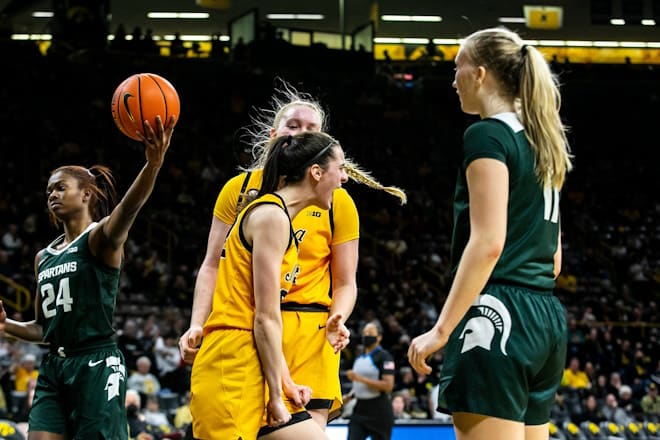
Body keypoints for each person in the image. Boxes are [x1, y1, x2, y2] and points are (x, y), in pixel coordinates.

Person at [180, 80, 406, 429]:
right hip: (250, 329)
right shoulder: (244, 192)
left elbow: (346, 282)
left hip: (307, 333)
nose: (300, 134)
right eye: (293, 126)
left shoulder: (336, 202)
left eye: (311, 130)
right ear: (274, 134)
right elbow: (212, 264)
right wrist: (197, 322)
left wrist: (339, 317)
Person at [407, 27, 573, 440]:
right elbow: (554, 260)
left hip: (497, 314)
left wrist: (441, 331)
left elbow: (488, 242)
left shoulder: (487, 134)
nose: (453, 79)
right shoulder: (543, 140)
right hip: (545, 319)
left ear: (479, 74)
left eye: (457, 67)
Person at [0, 114, 175, 439]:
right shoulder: (44, 257)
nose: (52, 194)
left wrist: (152, 166)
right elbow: (44, 329)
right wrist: (6, 325)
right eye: (49, 190)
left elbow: (129, 207)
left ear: (86, 195)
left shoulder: (100, 239)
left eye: (61, 187)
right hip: (54, 367)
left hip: (95, 363)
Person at [189, 131, 350, 439]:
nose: (344, 178)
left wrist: (286, 385)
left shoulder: (277, 217)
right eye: (340, 168)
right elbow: (264, 317)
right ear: (316, 173)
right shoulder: (270, 217)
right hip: (232, 367)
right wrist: (277, 396)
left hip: (258, 366)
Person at [345, 321, 396, 440]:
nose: (366, 335)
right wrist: (350, 396)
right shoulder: (359, 358)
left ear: (379, 337)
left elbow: (388, 386)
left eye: (370, 333)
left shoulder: (385, 357)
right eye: (364, 333)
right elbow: (358, 385)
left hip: (379, 411)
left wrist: (360, 379)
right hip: (360, 409)